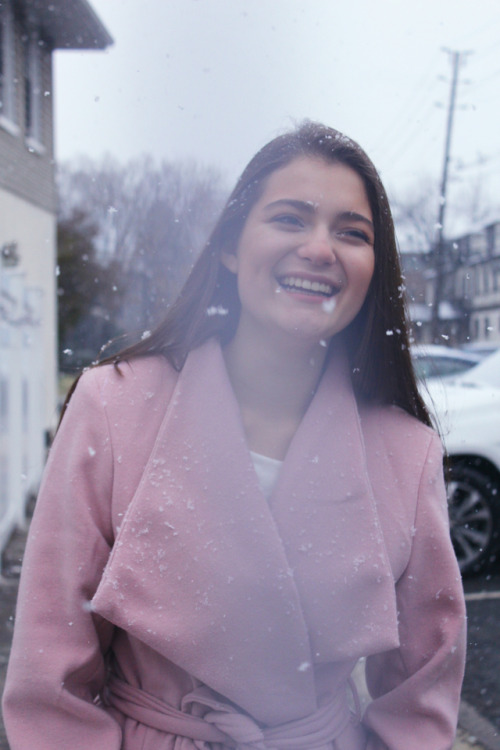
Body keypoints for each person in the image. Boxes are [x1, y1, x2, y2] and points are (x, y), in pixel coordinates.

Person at [3, 122, 466, 750]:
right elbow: (49, 673)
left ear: (373, 269)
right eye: (290, 219)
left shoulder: (407, 452)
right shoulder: (115, 404)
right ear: (229, 246)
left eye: (352, 232)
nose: (320, 248)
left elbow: (423, 689)